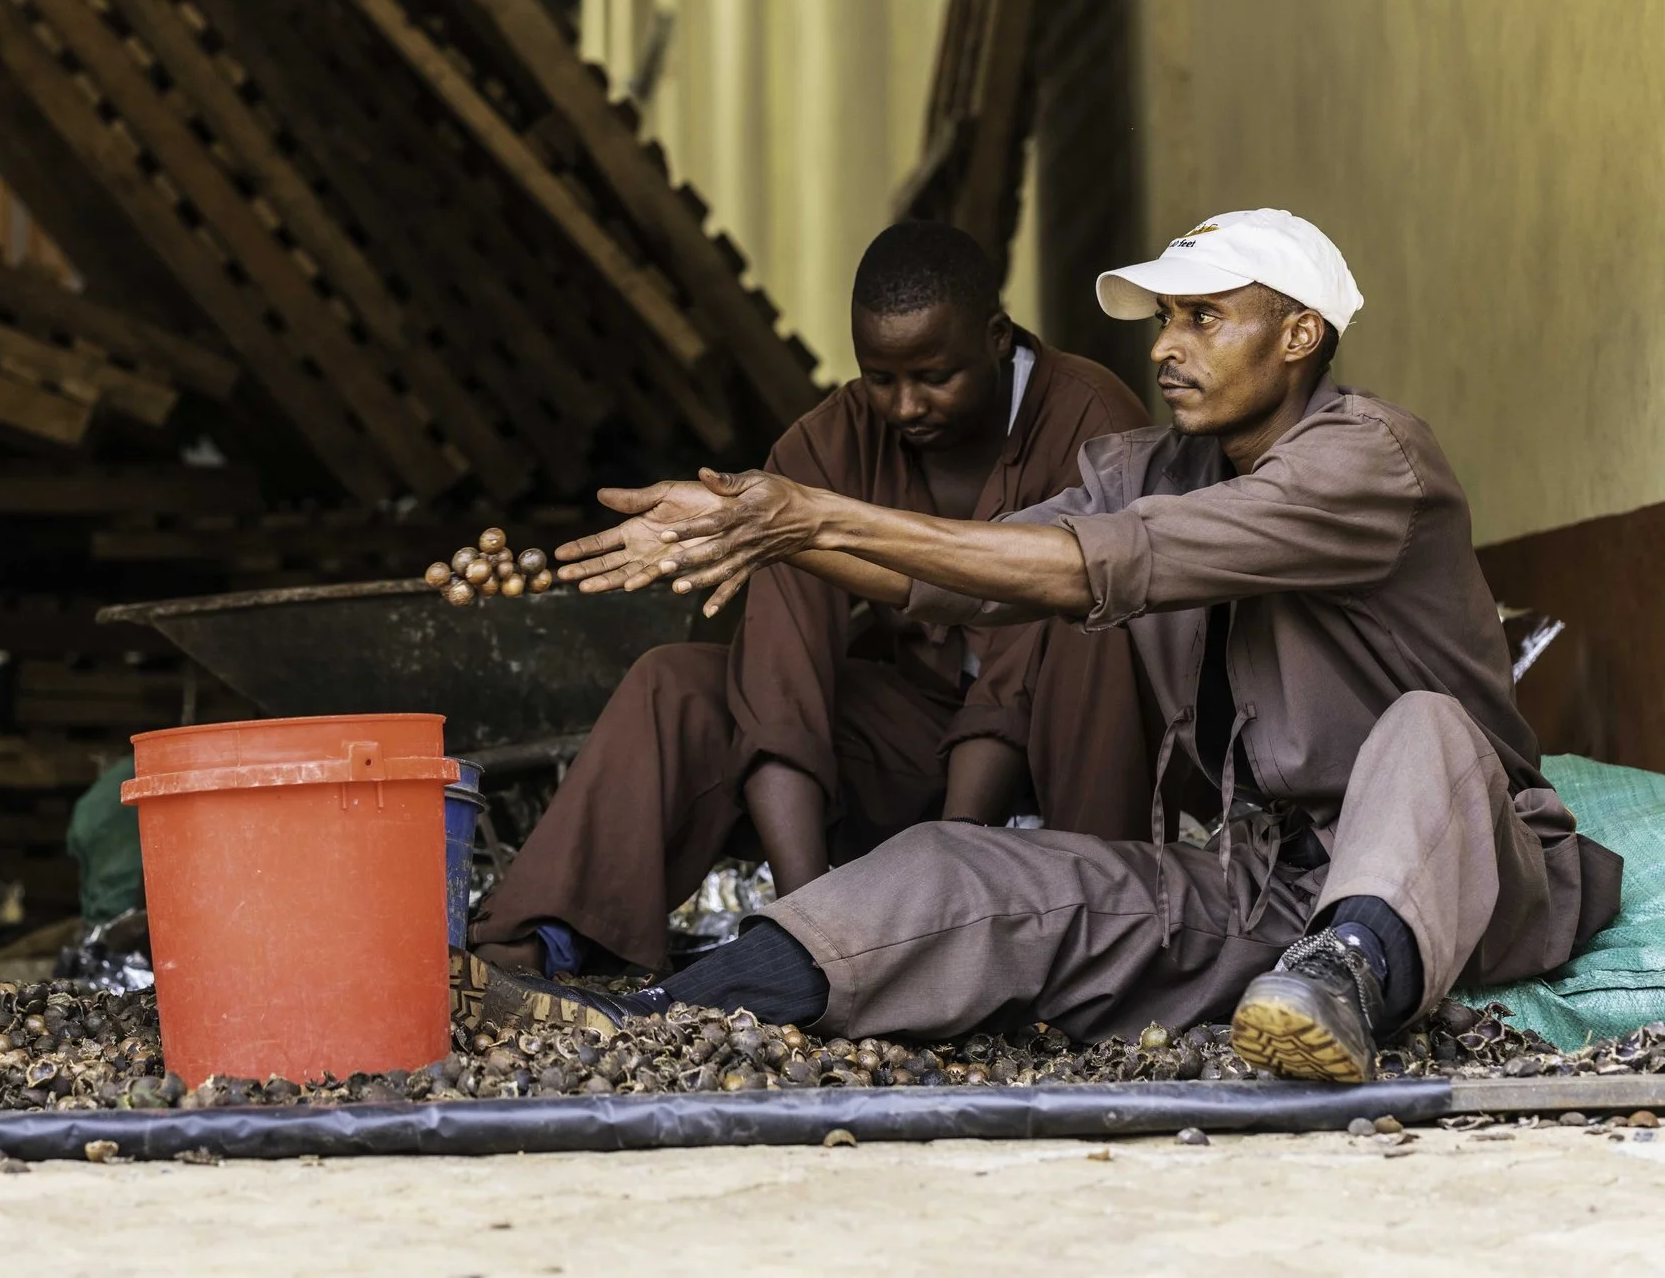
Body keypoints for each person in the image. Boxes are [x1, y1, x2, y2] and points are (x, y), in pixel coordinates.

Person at [459, 208, 1621, 1083]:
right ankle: (680, 1000)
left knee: (1424, 729)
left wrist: (811, 513)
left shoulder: (1368, 458)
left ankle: (1345, 974)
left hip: (1468, 868)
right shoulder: (1151, 467)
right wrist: (754, 530)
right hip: (1267, 887)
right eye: (1165, 319)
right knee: (960, 869)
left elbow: (1096, 565)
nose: (1169, 346)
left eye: (1203, 316)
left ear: (1300, 332)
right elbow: (961, 576)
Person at [466, 221, 1155, 983]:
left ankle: (1094, 946)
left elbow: (1091, 611)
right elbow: (778, 673)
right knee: (681, 682)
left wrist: (950, 868)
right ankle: (555, 939)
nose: (904, 404)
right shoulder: (828, 443)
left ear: (997, 336)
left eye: (933, 374)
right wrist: (812, 928)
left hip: (1081, 749)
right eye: (880, 378)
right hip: (915, 737)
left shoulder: (1096, 417)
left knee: (1084, 601)